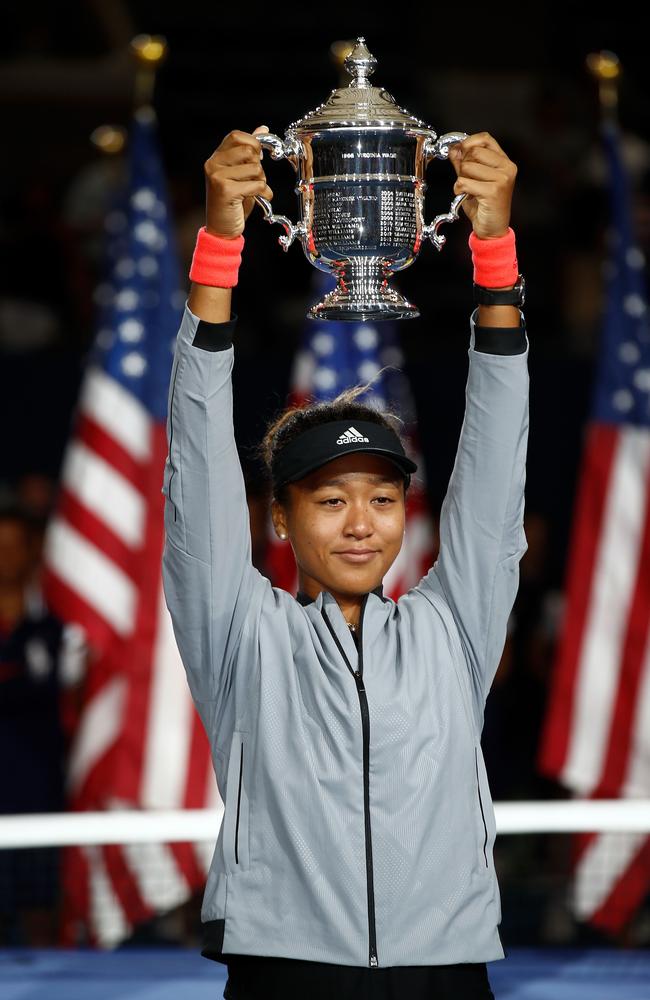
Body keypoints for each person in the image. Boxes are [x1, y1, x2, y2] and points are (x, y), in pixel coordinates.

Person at [161, 125, 529, 1000]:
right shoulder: (240, 634)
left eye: (382, 498)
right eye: (329, 500)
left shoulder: (453, 630)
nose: (361, 523)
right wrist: (218, 251)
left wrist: (496, 256)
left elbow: (497, 461)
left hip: (447, 973)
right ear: (280, 522)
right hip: (285, 975)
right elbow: (199, 465)